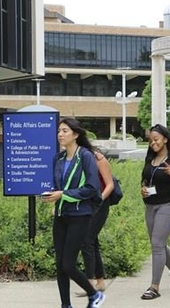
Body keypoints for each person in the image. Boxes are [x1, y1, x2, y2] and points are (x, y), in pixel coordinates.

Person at [41, 117, 106, 308]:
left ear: (75, 134)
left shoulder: (85, 156)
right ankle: (65, 305)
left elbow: (92, 188)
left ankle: (94, 295)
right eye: (59, 131)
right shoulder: (58, 158)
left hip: (80, 215)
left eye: (65, 131)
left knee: (68, 264)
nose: (60, 134)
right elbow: (58, 185)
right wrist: (53, 197)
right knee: (60, 264)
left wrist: (64, 194)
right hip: (61, 215)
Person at [140, 124, 170, 300]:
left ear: (165, 139)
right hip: (150, 205)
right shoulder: (150, 157)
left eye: (156, 139)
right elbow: (145, 179)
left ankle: (154, 287)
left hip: (167, 206)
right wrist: (143, 189)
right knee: (157, 243)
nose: (153, 143)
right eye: (150, 140)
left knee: (157, 244)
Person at [78, 148, 114, 296]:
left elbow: (109, 185)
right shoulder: (75, 158)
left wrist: (98, 200)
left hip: (99, 204)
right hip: (84, 204)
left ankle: (90, 282)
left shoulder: (98, 158)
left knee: (86, 240)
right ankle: (99, 281)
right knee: (92, 241)